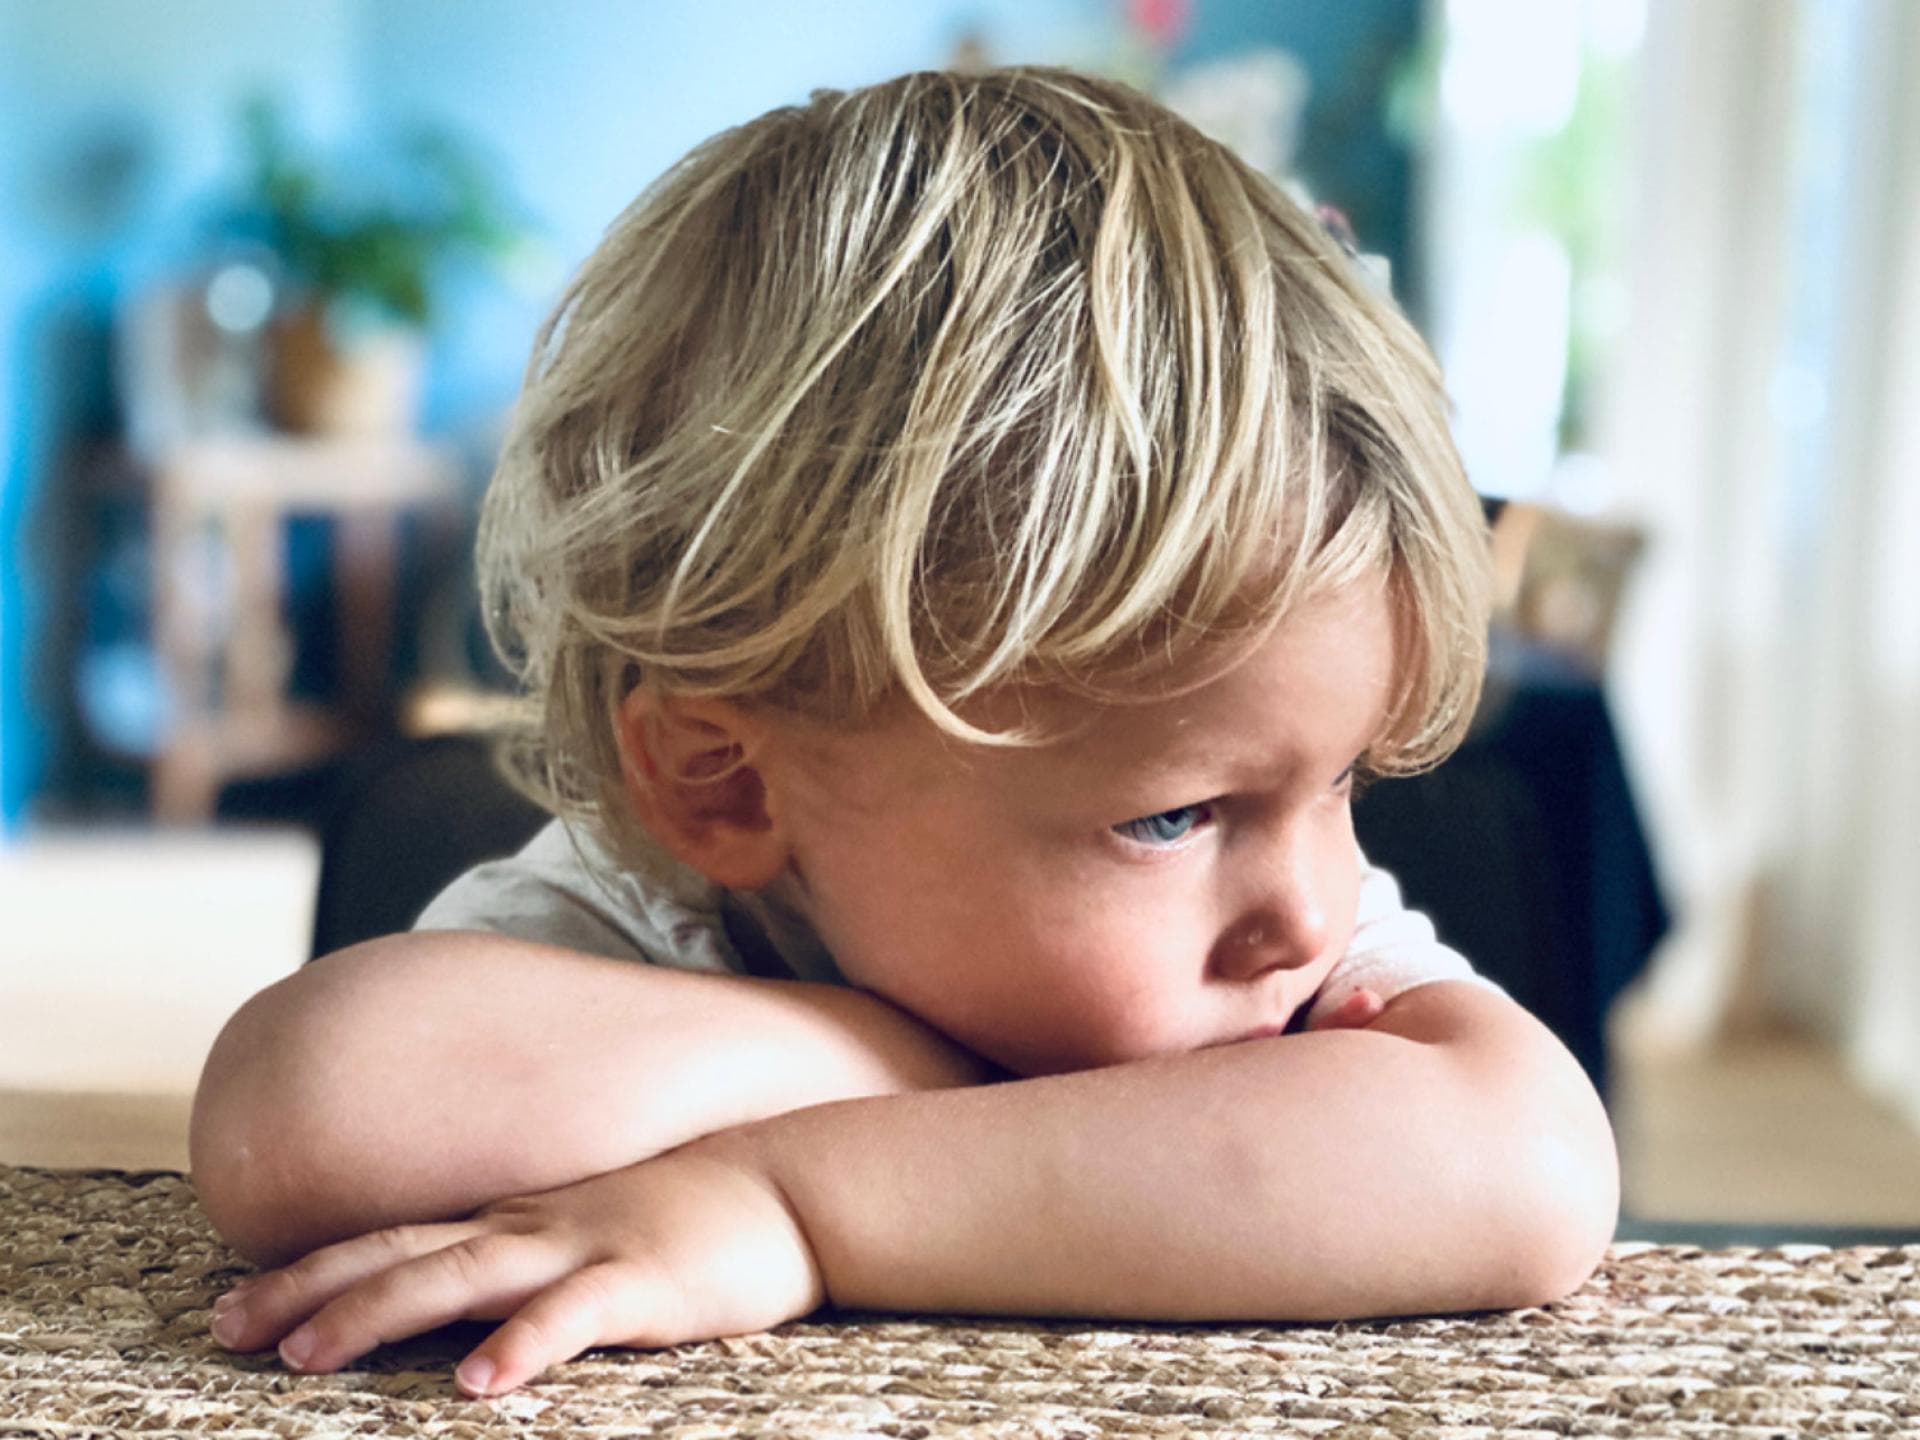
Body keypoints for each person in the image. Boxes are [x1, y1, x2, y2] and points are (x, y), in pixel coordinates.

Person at [189, 66, 1618, 1401]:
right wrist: (922, 1064)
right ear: (726, 785)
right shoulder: (636, 921)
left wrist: (798, 1199)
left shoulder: (1294, 945)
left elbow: (1530, 1170)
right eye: (1174, 818)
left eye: (1345, 781)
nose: (1308, 913)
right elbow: (303, 1122)